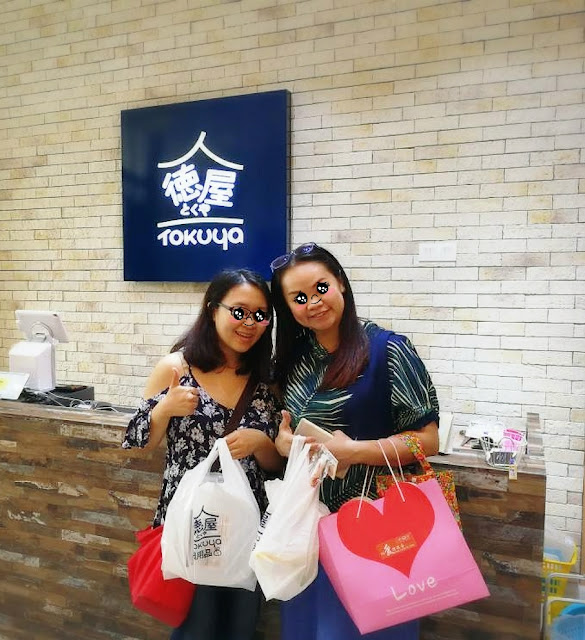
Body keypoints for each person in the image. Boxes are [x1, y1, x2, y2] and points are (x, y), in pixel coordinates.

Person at [270, 243, 440, 640]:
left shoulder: (388, 350)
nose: (313, 302)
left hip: (376, 530)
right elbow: (287, 431)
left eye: (321, 288)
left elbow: (427, 440)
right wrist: (284, 444)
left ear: (341, 283)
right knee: (309, 631)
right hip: (308, 527)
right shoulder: (294, 361)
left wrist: (354, 452)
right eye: (299, 298)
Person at [122, 268, 283, 640]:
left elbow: (275, 465)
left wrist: (261, 443)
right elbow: (139, 441)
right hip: (191, 522)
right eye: (239, 311)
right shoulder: (176, 368)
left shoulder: (266, 380)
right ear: (213, 309)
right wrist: (165, 409)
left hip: (247, 527)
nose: (250, 323)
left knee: (240, 628)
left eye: (260, 315)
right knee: (197, 626)